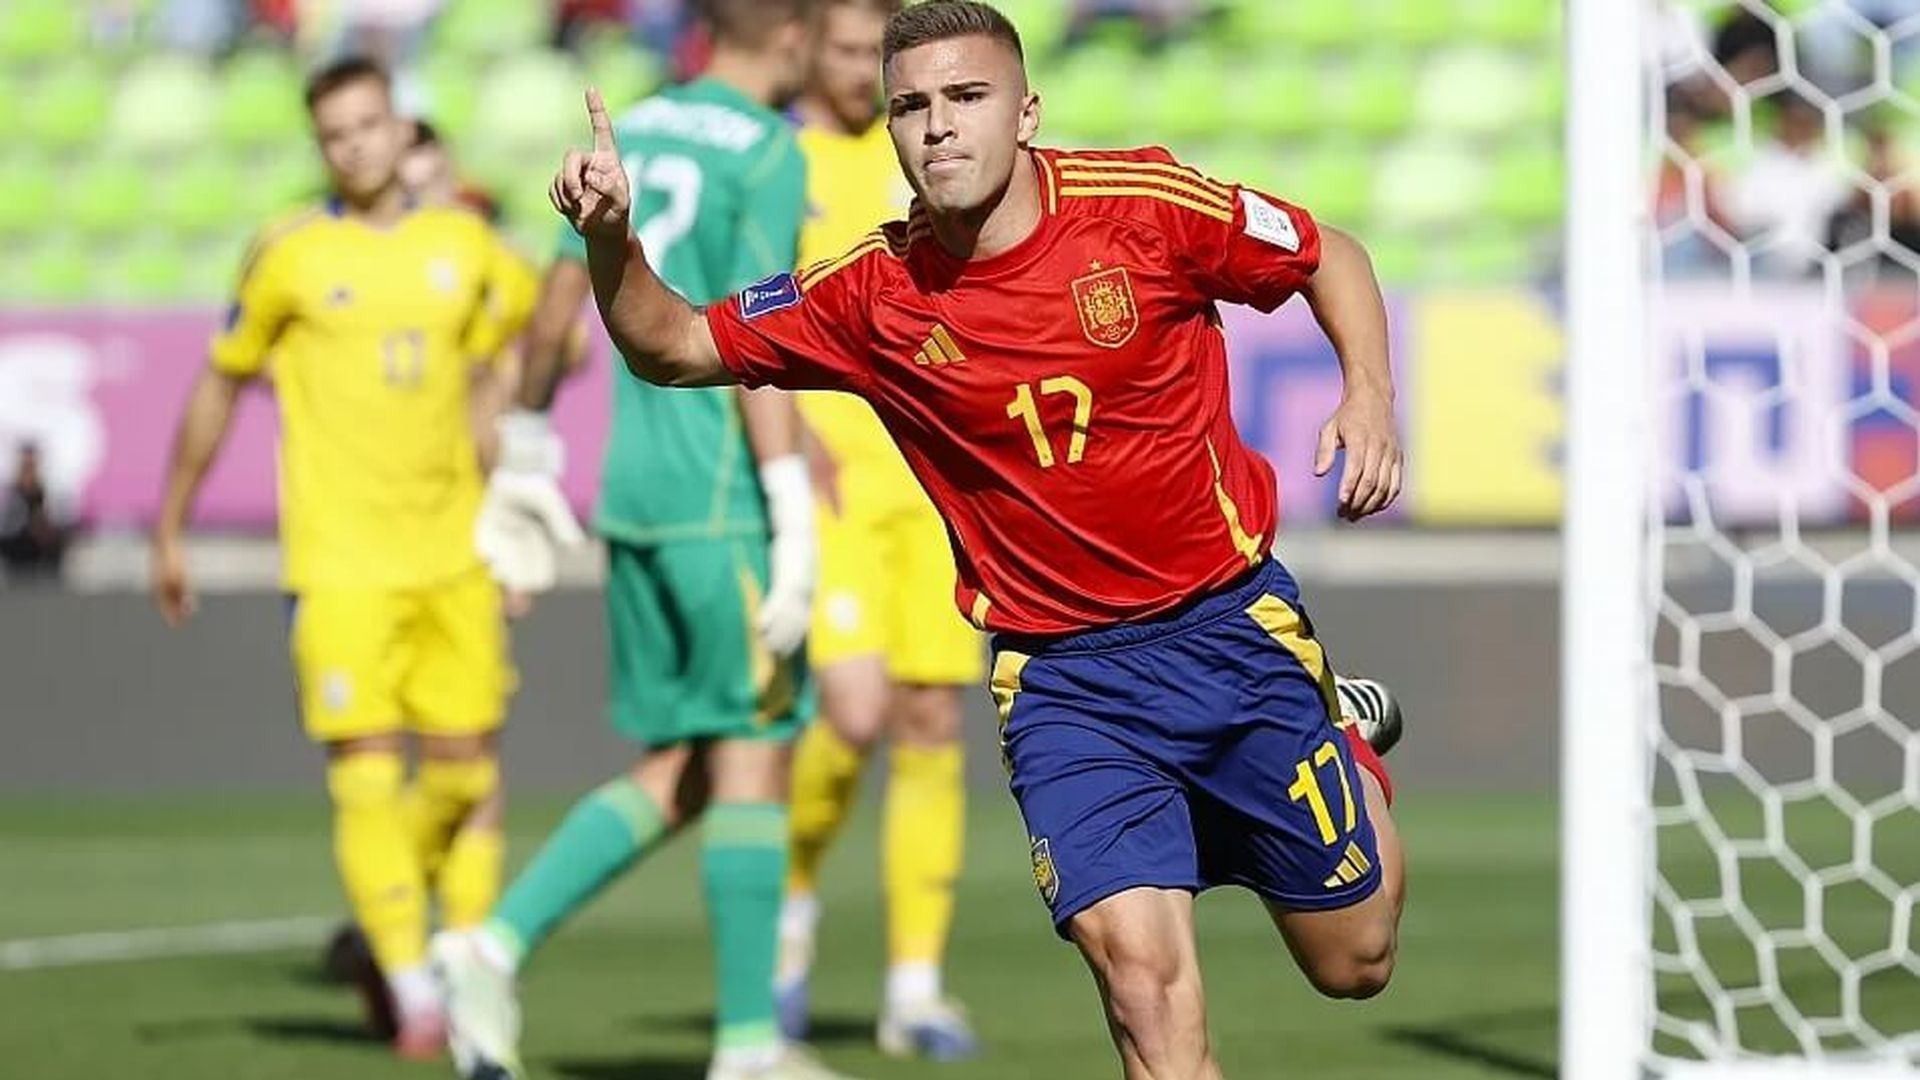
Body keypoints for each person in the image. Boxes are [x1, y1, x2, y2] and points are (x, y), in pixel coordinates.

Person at [549, 2, 1409, 1076]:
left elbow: (1328, 253)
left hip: (1226, 632)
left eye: (967, 97)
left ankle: (1346, 741)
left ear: (1026, 111)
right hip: (1064, 682)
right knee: (1142, 984)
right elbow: (674, 344)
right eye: (911, 106)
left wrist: (1368, 394)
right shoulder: (873, 293)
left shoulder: (1143, 207)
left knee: (1355, 961)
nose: (939, 126)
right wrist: (609, 240)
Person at [430, 3, 856, 1079]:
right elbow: (761, 338)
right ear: (794, 36)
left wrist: (525, 452)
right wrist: (791, 514)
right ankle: (749, 1046)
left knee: (690, 767)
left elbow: (552, 311)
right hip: (723, 494)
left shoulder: (636, 128)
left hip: (634, 493)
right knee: (754, 752)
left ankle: (490, 946)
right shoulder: (767, 150)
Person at [149, 56, 536, 1061]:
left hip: (454, 551)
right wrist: (171, 523)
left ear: (401, 131)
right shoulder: (288, 252)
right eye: (336, 135)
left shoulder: (466, 244)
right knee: (364, 771)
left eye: (370, 126)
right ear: (321, 147)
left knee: (465, 775)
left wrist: (518, 495)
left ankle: (406, 940)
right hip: (339, 560)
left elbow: (536, 343)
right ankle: (415, 989)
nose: (356, 147)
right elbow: (220, 381)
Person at [770, 0, 982, 1060]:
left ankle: (915, 987)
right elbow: (745, 312)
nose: (864, 72)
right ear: (808, 48)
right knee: (851, 712)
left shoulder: (929, 154)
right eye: (848, 51)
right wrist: (789, 438)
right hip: (835, 489)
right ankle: (787, 908)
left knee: (932, 720)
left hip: (933, 487)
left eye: (876, 54)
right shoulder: (777, 159)